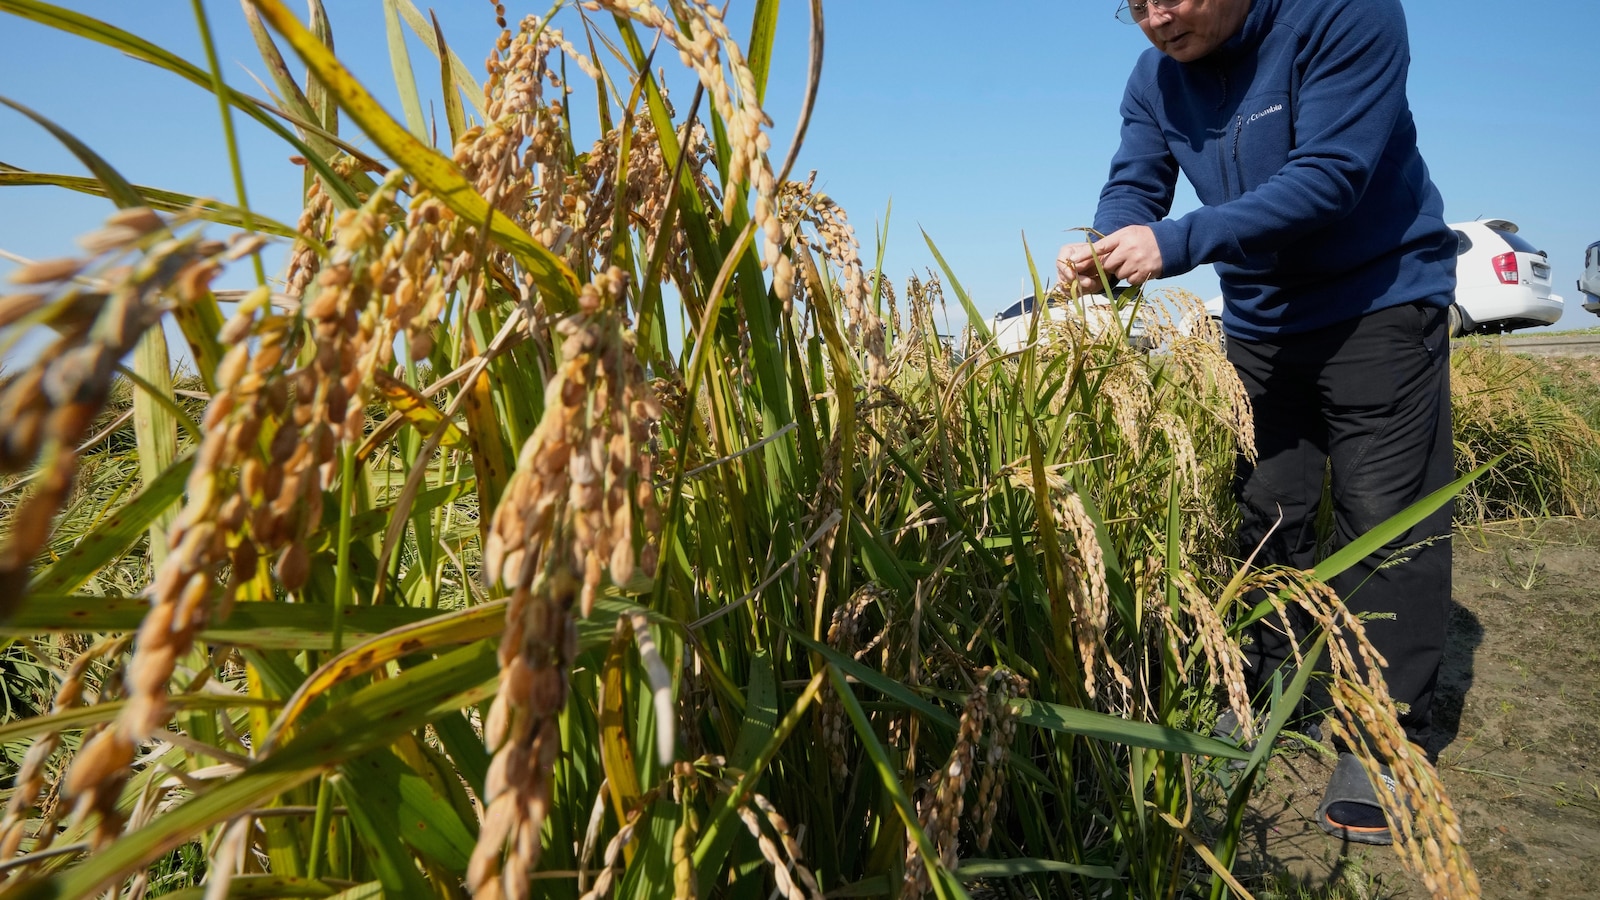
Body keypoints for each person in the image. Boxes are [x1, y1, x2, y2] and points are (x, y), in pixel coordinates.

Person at [1057, 0, 1457, 846]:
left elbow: (1333, 174)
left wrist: (1178, 241)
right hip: (1262, 323)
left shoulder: (1347, 16)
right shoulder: (1155, 79)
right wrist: (1106, 242)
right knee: (1268, 507)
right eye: (1135, 5)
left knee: (1384, 520)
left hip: (1378, 298)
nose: (1158, 19)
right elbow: (1138, 182)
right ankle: (1272, 688)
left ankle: (1383, 739)